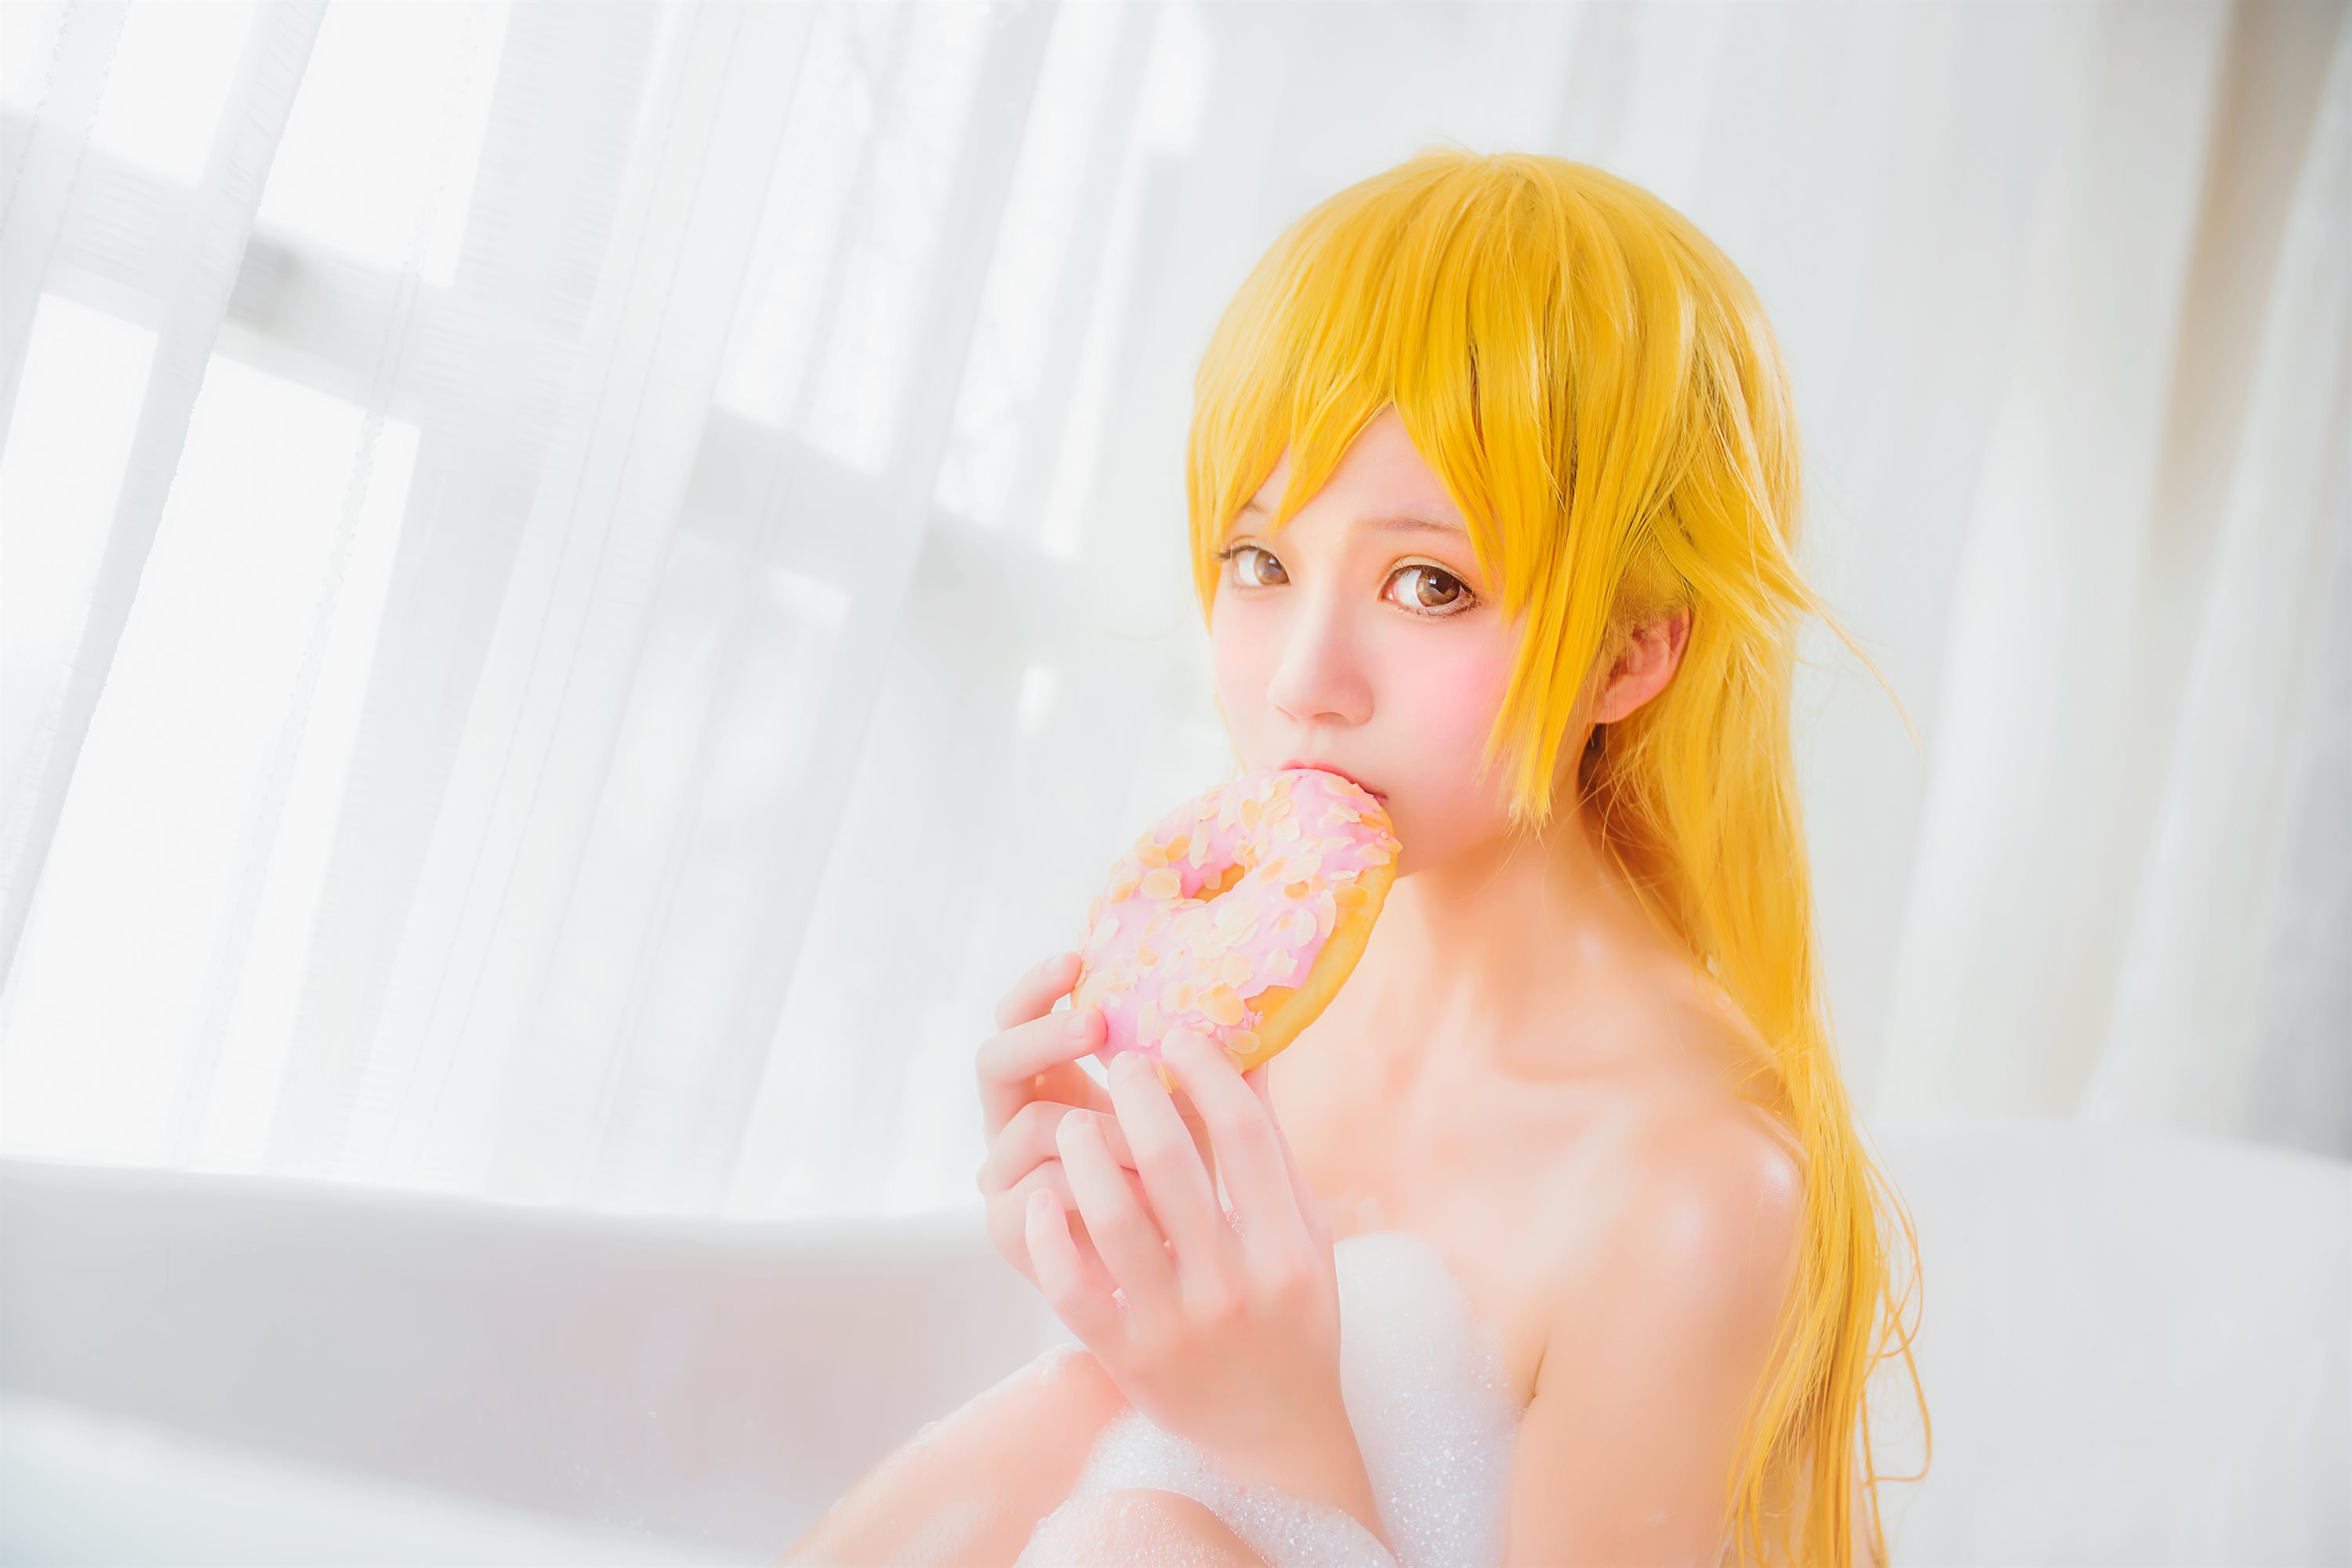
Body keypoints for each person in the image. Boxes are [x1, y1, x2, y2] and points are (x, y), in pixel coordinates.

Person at [783, 147, 1928, 1568]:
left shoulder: (1690, 1194)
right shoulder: (1273, 1022)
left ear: (1631, 654)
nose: (1303, 681)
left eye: (1428, 584)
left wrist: (1278, 1436)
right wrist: (1120, 1275)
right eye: (1260, 564)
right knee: (1076, 1440)